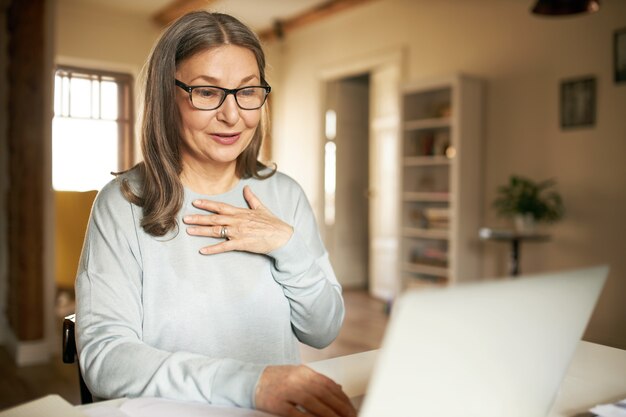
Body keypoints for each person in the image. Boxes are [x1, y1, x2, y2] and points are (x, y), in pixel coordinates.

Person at [75, 11, 356, 417]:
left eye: (247, 91)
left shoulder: (284, 193)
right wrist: (249, 383)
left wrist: (288, 246)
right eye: (206, 93)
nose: (232, 115)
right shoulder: (122, 204)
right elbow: (105, 359)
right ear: (166, 95)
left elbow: (324, 328)